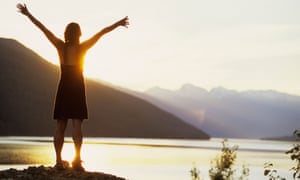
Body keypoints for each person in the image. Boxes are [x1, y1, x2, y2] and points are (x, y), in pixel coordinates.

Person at [17, 3, 129, 171]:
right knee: (77, 124)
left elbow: (43, 29)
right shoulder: (82, 47)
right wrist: (118, 24)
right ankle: (77, 161)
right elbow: (102, 32)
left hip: (64, 86)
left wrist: (28, 14)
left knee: (60, 125)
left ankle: (58, 161)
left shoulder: (60, 46)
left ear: (66, 34)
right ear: (79, 34)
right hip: (77, 87)